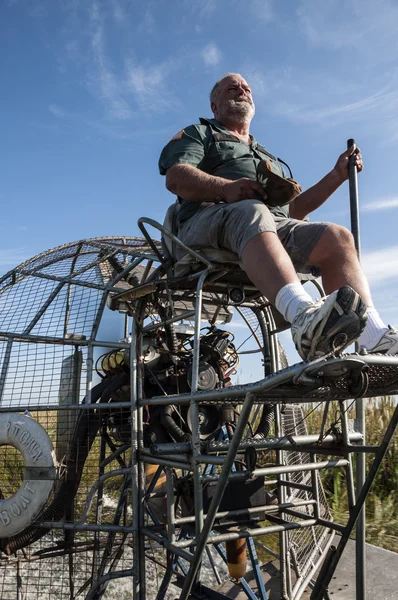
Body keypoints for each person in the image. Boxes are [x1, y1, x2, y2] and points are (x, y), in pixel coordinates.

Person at [158, 73, 398, 360]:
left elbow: (293, 212)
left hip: (263, 227)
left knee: (337, 236)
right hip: (205, 223)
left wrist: (336, 176)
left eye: (246, 88)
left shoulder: (266, 156)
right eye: (231, 88)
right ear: (214, 106)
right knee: (253, 211)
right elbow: (176, 177)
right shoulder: (201, 134)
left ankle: (375, 337)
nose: (242, 91)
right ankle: (304, 319)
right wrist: (227, 188)